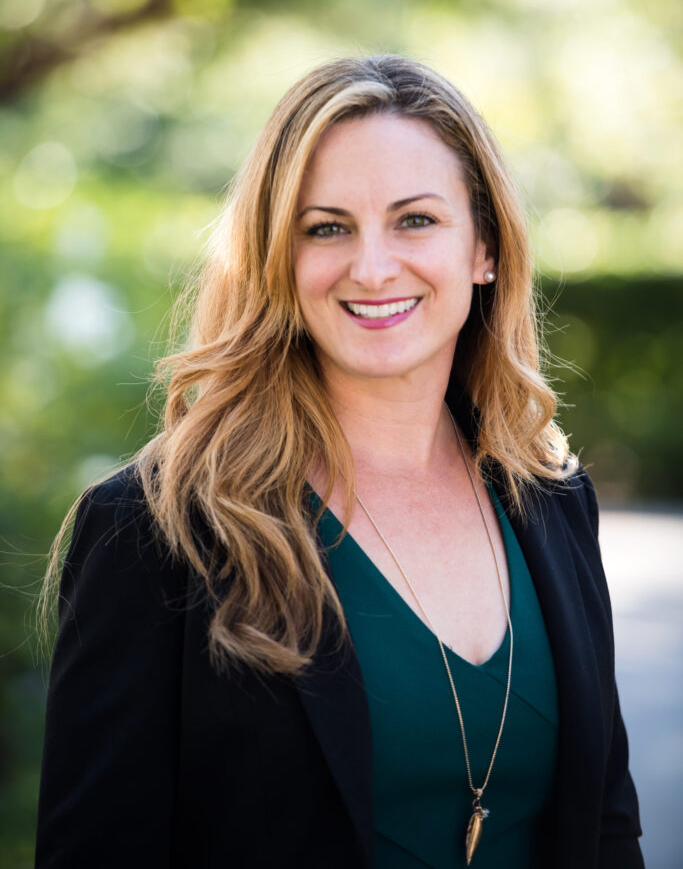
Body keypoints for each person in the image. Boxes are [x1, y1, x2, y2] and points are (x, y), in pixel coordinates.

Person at [36, 54, 643, 869]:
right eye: (326, 228)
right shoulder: (156, 528)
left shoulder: (551, 497)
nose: (371, 266)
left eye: (415, 220)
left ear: (484, 248)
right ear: (278, 260)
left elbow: (606, 827)